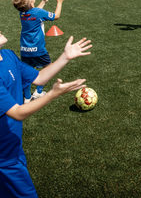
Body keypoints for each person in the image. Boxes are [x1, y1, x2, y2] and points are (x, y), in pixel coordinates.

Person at [0, 32, 92, 198]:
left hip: (12, 145)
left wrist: (65, 57)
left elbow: (39, 78)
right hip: (4, 158)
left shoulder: (7, 55)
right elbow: (17, 113)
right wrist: (51, 94)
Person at [12, 0, 67, 102]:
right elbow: (56, 16)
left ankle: (27, 98)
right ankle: (38, 91)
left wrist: (43, 1)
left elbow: (34, 11)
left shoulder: (22, 13)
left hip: (25, 50)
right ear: (30, 2)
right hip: (38, 50)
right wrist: (60, 2)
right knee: (49, 68)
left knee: (27, 73)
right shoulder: (37, 12)